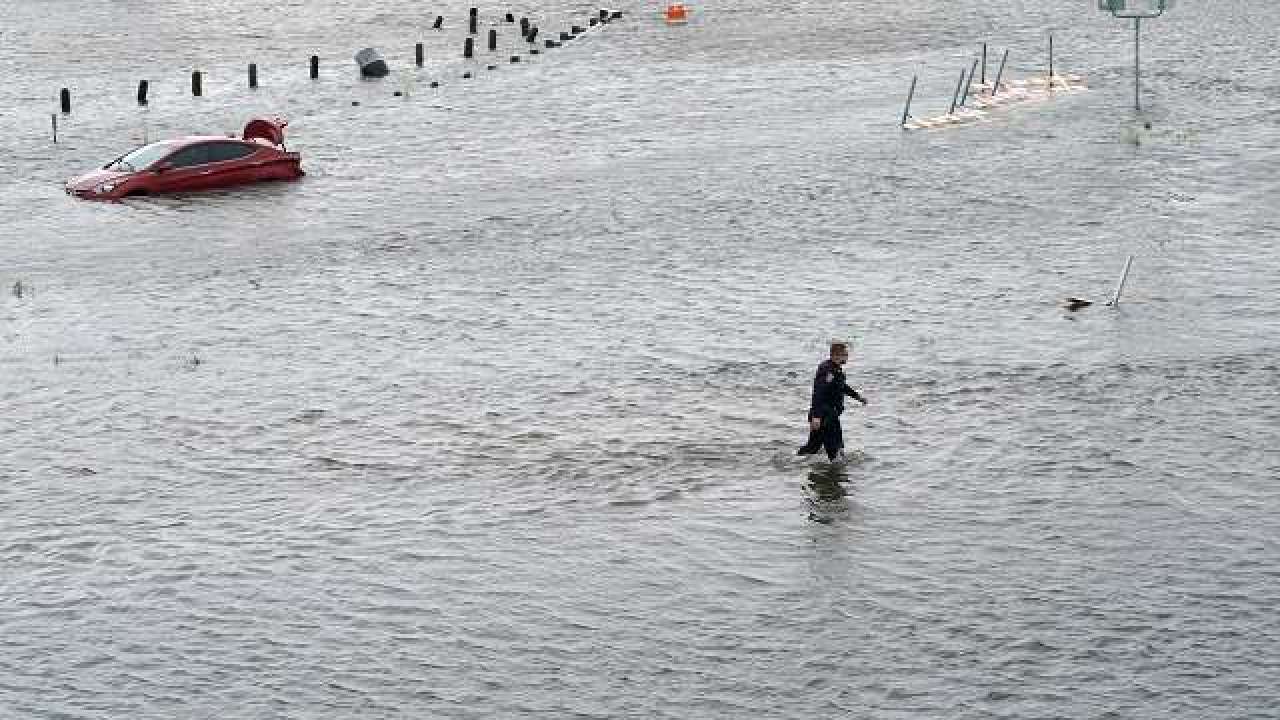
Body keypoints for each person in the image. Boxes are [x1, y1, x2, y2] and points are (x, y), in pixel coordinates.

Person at [797, 341, 866, 461]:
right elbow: (819, 392)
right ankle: (836, 475)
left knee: (813, 447)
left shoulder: (836, 370)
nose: (847, 357)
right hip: (825, 416)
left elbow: (842, 387)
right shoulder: (827, 370)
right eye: (845, 355)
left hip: (829, 414)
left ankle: (793, 463)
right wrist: (816, 416)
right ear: (836, 355)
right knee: (835, 448)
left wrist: (858, 397)